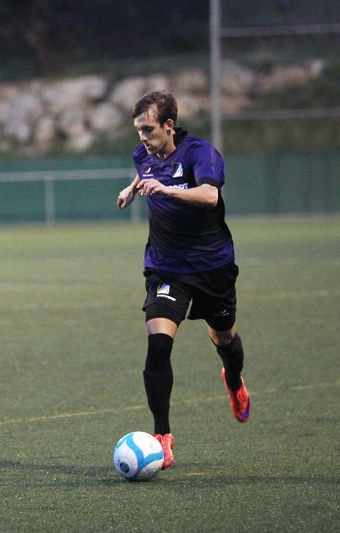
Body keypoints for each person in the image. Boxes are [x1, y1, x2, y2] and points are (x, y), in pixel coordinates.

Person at [116, 90, 251, 470]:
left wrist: (166, 191)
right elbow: (147, 171)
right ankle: (162, 437)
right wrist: (132, 188)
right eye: (138, 129)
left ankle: (234, 381)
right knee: (158, 343)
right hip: (166, 267)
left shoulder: (200, 153)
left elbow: (209, 196)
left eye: (148, 129)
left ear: (169, 125)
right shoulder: (142, 155)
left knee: (224, 337)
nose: (142, 136)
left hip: (212, 266)